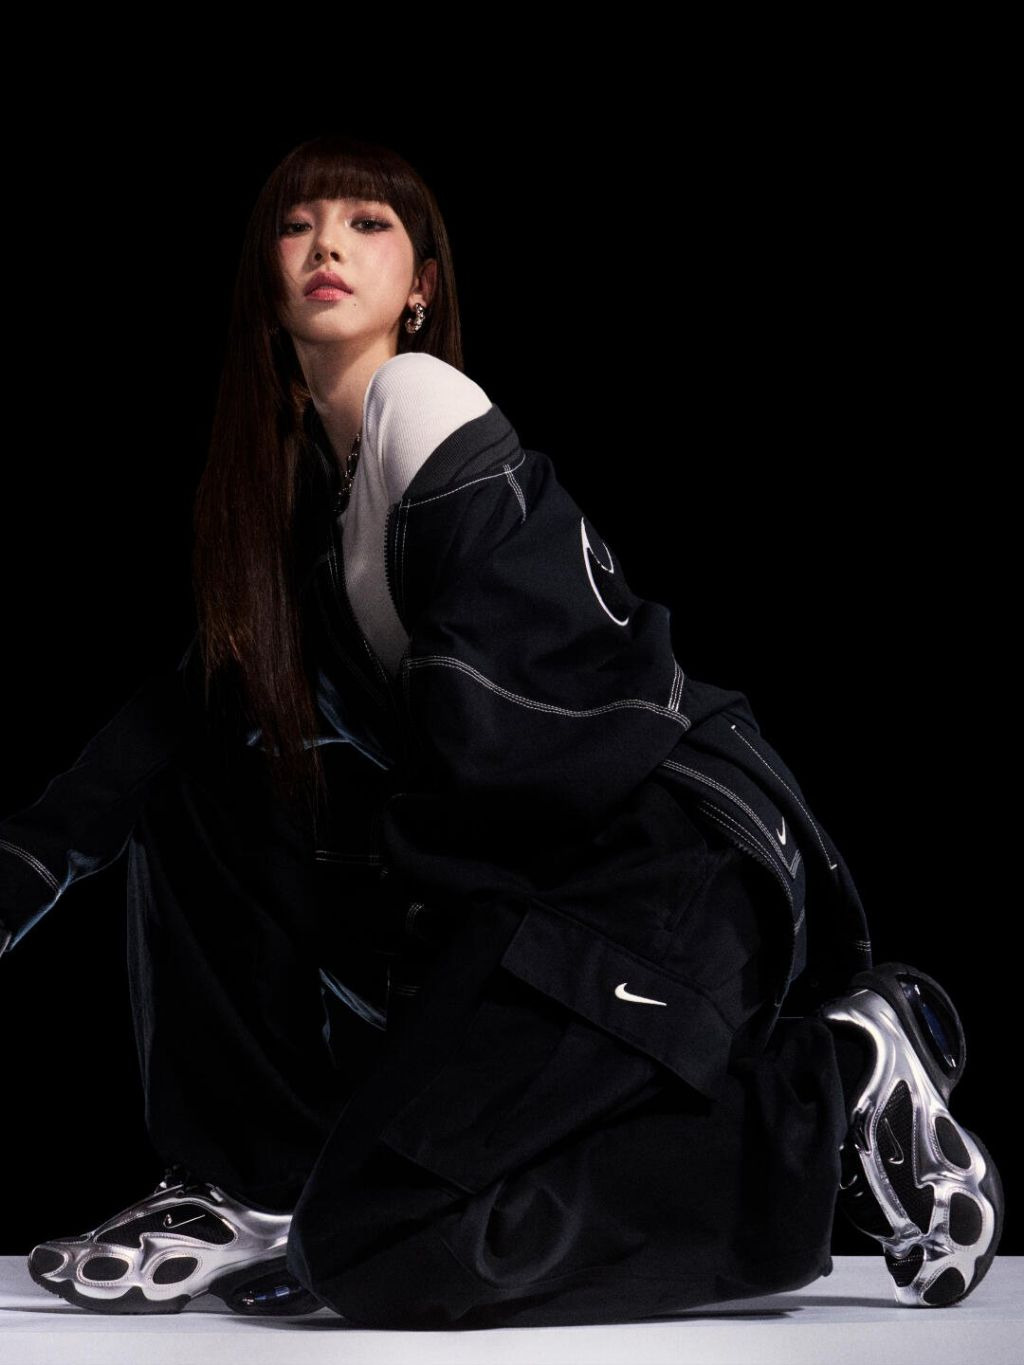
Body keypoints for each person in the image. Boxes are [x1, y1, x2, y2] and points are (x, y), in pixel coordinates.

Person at [0, 133, 1004, 1328]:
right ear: (263, 283)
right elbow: (167, 730)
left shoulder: (421, 405)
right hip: (533, 880)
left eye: (367, 223)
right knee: (204, 770)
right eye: (295, 225)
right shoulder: (304, 511)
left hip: (657, 873)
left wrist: (409, 973)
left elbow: (534, 743)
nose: (325, 245)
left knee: (377, 1249)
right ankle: (255, 1182)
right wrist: (24, 869)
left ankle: (829, 1087)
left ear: (421, 285)